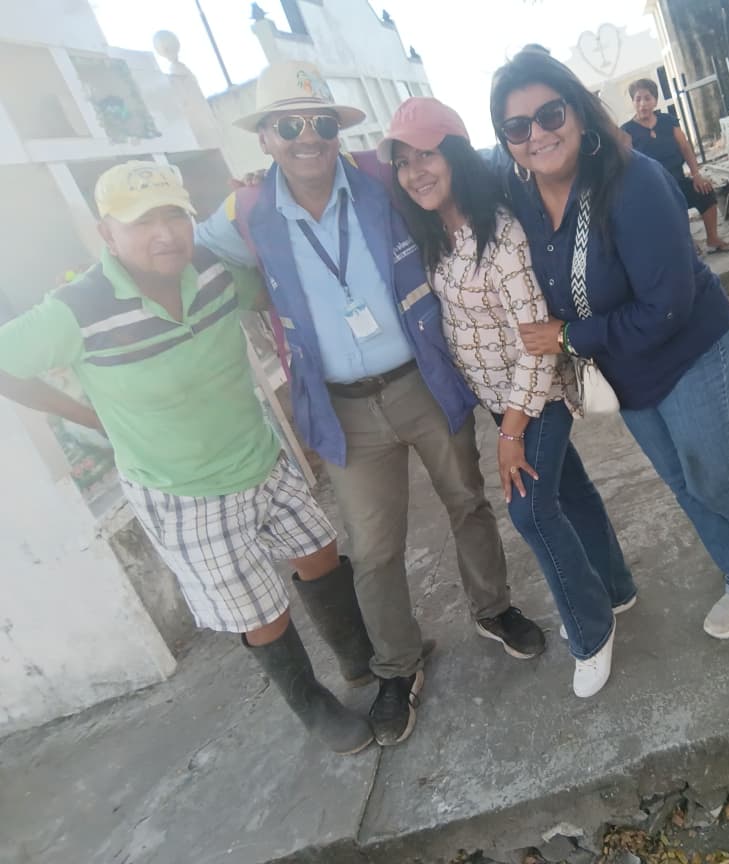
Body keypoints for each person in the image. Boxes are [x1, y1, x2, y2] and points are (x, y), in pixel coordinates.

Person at [195, 62, 545, 747]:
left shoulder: (381, 176)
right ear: (264, 137)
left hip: (421, 378)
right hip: (342, 409)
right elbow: (183, 250)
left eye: (321, 123)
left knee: (468, 501)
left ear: (337, 131)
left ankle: (493, 608)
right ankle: (398, 665)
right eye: (289, 125)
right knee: (375, 547)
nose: (308, 136)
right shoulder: (247, 211)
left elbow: (459, 167)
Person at [0, 161, 375, 755]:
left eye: (174, 216)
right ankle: (314, 707)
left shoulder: (213, 268)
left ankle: (359, 661)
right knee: (260, 610)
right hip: (183, 494)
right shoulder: (76, 309)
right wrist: (91, 417)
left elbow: (273, 291)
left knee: (319, 553)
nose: (165, 234)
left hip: (259, 457)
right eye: (141, 222)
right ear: (106, 233)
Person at [490, 51, 729, 640]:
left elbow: (667, 306)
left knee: (714, 476)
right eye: (517, 126)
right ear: (505, 139)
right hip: (625, 370)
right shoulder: (520, 195)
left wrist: (567, 337)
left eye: (550, 114)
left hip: (690, 349)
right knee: (682, 480)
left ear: (577, 111)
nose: (537, 134)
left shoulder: (633, 181)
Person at [385, 97, 636, 697]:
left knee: (531, 511)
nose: (417, 172)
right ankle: (616, 588)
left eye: (428, 155)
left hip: (534, 396)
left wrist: (511, 432)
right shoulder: (435, 233)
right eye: (403, 161)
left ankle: (591, 631)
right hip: (499, 398)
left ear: (455, 154)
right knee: (569, 489)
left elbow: (537, 345)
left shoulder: (499, 235)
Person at [620, 79, 729, 254]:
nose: (642, 104)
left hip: (678, 179)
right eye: (638, 99)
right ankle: (687, 243)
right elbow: (627, 164)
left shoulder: (668, 121)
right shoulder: (627, 131)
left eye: (647, 98)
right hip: (652, 188)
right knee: (669, 206)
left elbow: (685, 147)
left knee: (705, 192)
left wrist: (696, 175)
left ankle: (712, 239)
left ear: (655, 101)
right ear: (633, 102)